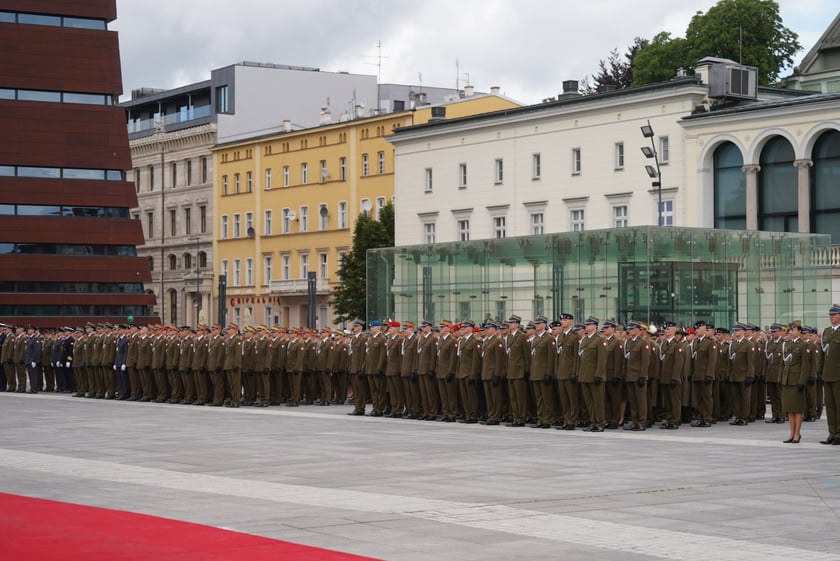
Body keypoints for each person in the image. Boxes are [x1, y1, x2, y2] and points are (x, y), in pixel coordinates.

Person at [780, 322, 810, 443]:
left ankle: (797, 433)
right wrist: (780, 379)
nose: (791, 332)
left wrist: (802, 381)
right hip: (787, 380)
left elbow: (805, 366)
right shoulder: (786, 344)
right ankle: (791, 433)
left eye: (793, 330)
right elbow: (783, 364)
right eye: (790, 330)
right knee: (789, 409)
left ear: (799, 331)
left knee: (797, 409)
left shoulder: (803, 345)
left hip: (796, 380)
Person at [821, 304, 840, 445]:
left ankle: (839, 434)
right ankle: (832, 433)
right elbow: (823, 354)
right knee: (830, 406)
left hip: (838, 375)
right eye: (830, 315)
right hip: (827, 374)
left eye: (834, 314)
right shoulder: (826, 332)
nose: (831, 317)